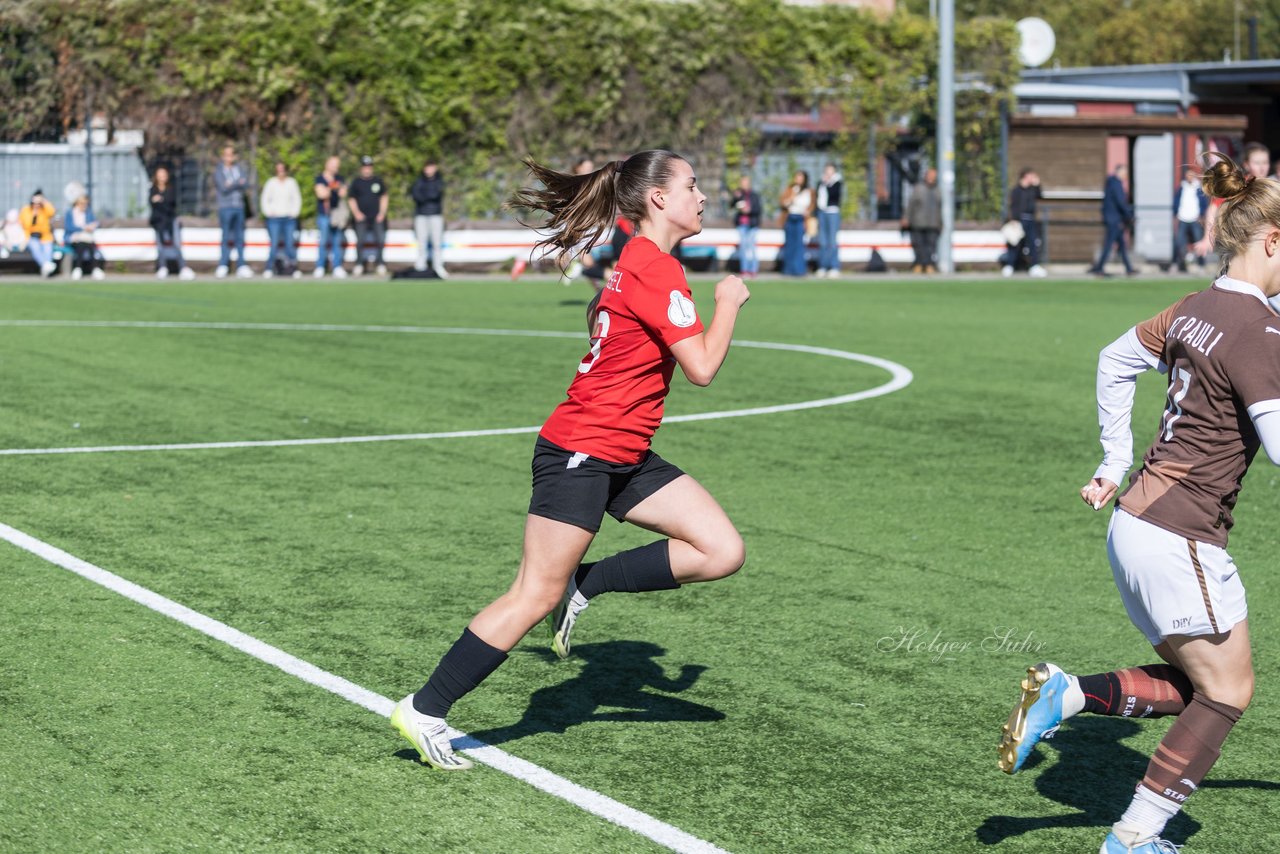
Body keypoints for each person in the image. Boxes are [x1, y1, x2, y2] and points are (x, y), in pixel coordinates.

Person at [391, 150, 751, 771]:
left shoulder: (642, 262)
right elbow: (702, 369)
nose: (702, 196)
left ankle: (587, 583)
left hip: (624, 451)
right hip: (582, 451)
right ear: (658, 198)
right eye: (692, 185)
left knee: (720, 550)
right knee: (533, 593)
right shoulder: (654, 268)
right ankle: (424, 709)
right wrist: (730, 303)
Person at [998, 152, 1280, 854]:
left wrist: (1114, 460)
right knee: (1227, 692)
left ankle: (1067, 696)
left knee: (1200, 681)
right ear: (1273, 240)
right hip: (1182, 536)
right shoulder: (1257, 331)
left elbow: (1114, 358)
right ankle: (1134, 838)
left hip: (1137, 524)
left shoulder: (1196, 309)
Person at [1196, 142, 1269, 258]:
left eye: (1265, 162)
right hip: (1241, 246)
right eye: (1257, 163)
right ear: (1246, 164)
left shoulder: (1273, 187)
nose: (1262, 167)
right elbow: (1213, 208)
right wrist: (1207, 237)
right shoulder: (1239, 186)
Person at [1089, 164, 1137, 277]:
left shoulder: (1111, 182)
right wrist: (1129, 215)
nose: (1125, 175)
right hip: (1114, 219)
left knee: (1122, 245)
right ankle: (1099, 268)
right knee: (1109, 245)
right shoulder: (1116, 184)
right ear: (1119, 172)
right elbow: (1121, 202)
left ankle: (1129, 268)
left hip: (1114, 218)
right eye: (1124, 173)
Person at [148, 167, 195, 280]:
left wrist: (160, 200)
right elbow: (152, 202)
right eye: (160, 174)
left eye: (164, 174)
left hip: (170, 220)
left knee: (176, 244)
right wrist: (159, 201)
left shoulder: (171, 188)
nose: (162, 177)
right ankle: (163, 267)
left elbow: (170, 203)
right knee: (160, 245)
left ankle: (182, 267)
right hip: (159, 222)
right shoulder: (153, 189)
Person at [213, 144, 252, 278]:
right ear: (223, 156)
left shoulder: (239, 168)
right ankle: (223, 264)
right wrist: (237, 183)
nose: (229, 157)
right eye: (227, 154)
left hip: (239, 207)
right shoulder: (219, 170)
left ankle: (241, 265)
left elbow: (245, 184)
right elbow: (223, 188)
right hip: (225, 207)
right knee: (225, 237)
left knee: (239, 237)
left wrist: (232, 183)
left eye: (231, 154)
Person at [260, 160, 302, 278]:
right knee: (274, 244)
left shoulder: (291, 183)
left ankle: (293, 268)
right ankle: (269, 268)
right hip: (274, 218)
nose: (280, 172)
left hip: (289, 218)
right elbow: (265, 199)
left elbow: (296, 199)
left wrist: (294, 212)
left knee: (289, 244)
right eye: (278, 170)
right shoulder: (271, 183)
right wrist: (268, 212)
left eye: (282, 170)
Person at [348, 155, 388, 276]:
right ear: (361, 168)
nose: (367, 169)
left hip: (377, 216)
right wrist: (356, 213)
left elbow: (384, 197)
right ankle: (359, 264)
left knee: (380, 240)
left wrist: (382, 213)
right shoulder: (356, 182)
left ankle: (380, 263)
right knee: (360, 241)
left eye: (369, 167)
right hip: (361, 217)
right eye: (365, 167)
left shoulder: (378, 181)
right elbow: (351, 199)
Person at [1003, 168, 1046, 278]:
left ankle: (1034, 266)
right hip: (1019, 220)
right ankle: (1009, 266)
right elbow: (1013, 206)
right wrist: (1013, 219)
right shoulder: (1016, 190)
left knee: (1032, 243)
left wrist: (1037, 185)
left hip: (1030, 219)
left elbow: (1040, 196)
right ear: (1025, 176)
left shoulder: (1032, 190)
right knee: (1015, 243)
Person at [410, 158, 448, 278]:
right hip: (420, 215)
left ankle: (438, 267)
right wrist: (427, 196)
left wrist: (425, 196)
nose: (429, 170)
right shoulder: (419, 181)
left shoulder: (439, 181)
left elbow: (435, 195)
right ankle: (421, 266)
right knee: (421, 243)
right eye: (427, 167)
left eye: (431, 167)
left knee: (437, 243)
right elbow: (416, 195)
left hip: (435, 215)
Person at [313, 156, 347, 278]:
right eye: (333, 164)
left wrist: (334, 188)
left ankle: (337, 266)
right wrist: (333, 187)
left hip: (337, 215)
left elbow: (343, 193)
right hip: (324, 215)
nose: (336, 167)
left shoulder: (340, 178)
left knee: (337, 241)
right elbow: (321, 194)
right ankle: (320, 266)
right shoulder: (319, 178)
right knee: (323, 241)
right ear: (327, 164)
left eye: (337, 165)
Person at [1172, 166, 1209, 275]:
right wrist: (1176, 213)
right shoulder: (1181, 187)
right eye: (1188, 174)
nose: (1189, 176)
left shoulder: (1198, 188)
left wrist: (1201, 214)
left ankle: (1201, 265)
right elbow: (1176, 201)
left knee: (1198, 242)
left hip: (1194, 218)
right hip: (1183, 218)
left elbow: (1204, 203)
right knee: (1179, 242)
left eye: (1191, 174)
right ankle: (1178, 264)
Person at [904, 167, 942, 273]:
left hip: (933, 223)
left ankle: (929, 265)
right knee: (918, 245)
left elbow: (940, 208)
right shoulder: (919, 188)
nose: (931, 178)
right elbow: (910, 205)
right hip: (918, 222)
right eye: (930, 175)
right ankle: (919, 264)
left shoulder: (938, 189)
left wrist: (940, 222)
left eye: (933, 176)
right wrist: (906, 218)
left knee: (931, 246)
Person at [779, 170, 814, 277]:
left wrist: (808, 211)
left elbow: (812, 205)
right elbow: (783, 203)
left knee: (799, 245)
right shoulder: (790, 189)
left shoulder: (809, 191)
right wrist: (791, 198)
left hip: (801, 219)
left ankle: (799, 269)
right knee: (789, 244)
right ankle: (788, 269)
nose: (798, 179)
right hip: (790, 217)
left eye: (800, 177)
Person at [62, 194, 104, 280]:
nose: (84, 205)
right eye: (82, 203)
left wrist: (92, 226)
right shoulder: (70, 213)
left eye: (86, 203)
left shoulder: (88, 212)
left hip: (85, 238)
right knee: (82, 243)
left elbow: (95, 222)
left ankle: (92, 269)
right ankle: (79, 268)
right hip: (72, 238)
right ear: (77, 203)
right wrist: (83, 228)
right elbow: (69, 227)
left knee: (89, 244)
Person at [19, 190, 57, 277]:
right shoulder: (26, 210)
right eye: (35, 202)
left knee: (47, 248)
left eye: (38, 202)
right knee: (35, 246)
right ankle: (46, 266)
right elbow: (26, 225)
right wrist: (34, 215)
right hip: (30, 237)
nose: (36, 204)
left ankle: (45, 267)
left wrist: (43, 201)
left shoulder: (44, 210)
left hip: (45, 236)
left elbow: (52, 211)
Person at [731, 174, 762, 278]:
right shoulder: (739, 194)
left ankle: (753, 270)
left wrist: (749, 210)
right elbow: (731, 205)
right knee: (743, 247)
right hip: (742, 224)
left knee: (752, 247)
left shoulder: (754, 195)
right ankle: (744, 270)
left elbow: (758, 209)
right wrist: (736, 198)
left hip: (752, 224)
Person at [816, 163, 843, 278]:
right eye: (826, 170)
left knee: (832, 241)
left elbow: (834, 195)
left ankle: (834, 266)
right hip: (822, 212)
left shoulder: (837, 183)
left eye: (830, 170)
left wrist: (827, 183)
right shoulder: (820, 183)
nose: (828, 173)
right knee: (822, 241)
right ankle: (822, 266)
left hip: (832, 212)